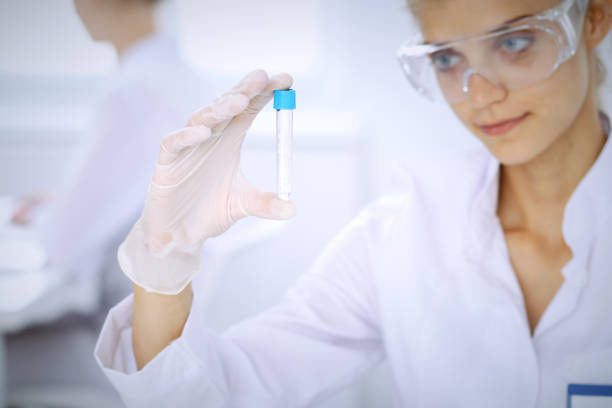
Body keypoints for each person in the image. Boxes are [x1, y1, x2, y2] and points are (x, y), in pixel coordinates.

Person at [94, 0, 612, 406]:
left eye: (516, 41)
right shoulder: (403, 230)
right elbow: (219, 394)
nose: (479, 94)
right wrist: (163, 260)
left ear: (594, 17)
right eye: (448, 58)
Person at [6, 0, 207, 402]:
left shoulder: (137, 94)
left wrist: (50, 216)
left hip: (117, 343)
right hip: (163, 334)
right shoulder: (183, 79)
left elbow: (62, 245)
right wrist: (62, 208)